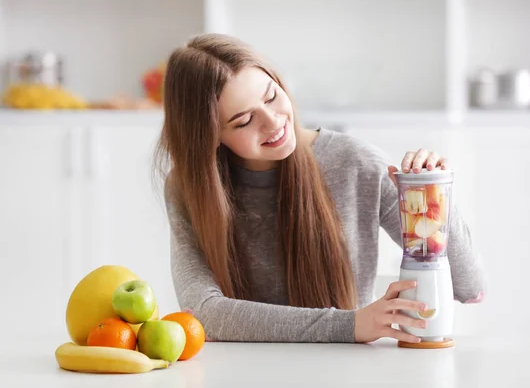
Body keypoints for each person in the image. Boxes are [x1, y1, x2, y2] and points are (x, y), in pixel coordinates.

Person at [153, 33, 486, 344]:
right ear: (210, 138)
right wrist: (350, 325)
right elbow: (202, 313)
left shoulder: (355, 163)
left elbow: (468, 285)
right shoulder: (188, 189)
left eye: (271, 96)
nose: (273, 121)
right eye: (243, 121)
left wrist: (431, 195)